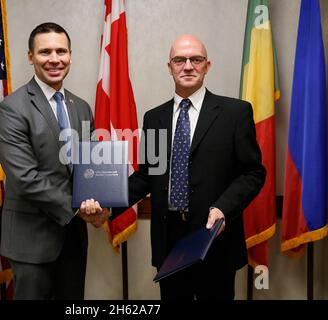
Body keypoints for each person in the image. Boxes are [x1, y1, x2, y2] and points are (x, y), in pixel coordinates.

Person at [113, 35, 266, 300]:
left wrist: (223, 208)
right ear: (169, 66)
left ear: (207, 65)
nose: (187, 66)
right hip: (169, 241)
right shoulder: (154, 117)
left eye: (196, 59)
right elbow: (147, 174)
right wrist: (107, 204)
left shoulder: (235, 113)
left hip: (214, 239)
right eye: (179, 60)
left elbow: (253, 173)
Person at [0, 22, 109, 300]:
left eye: (61, 51)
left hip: (73, 239)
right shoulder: (11, 109)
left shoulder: (81, 107)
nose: (54, 59)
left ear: (70, 55)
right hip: (31, 241)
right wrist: (79, 208)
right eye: (45, 52)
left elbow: (91, 167)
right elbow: (25, 178)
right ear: (31, 57)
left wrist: (103, 203)